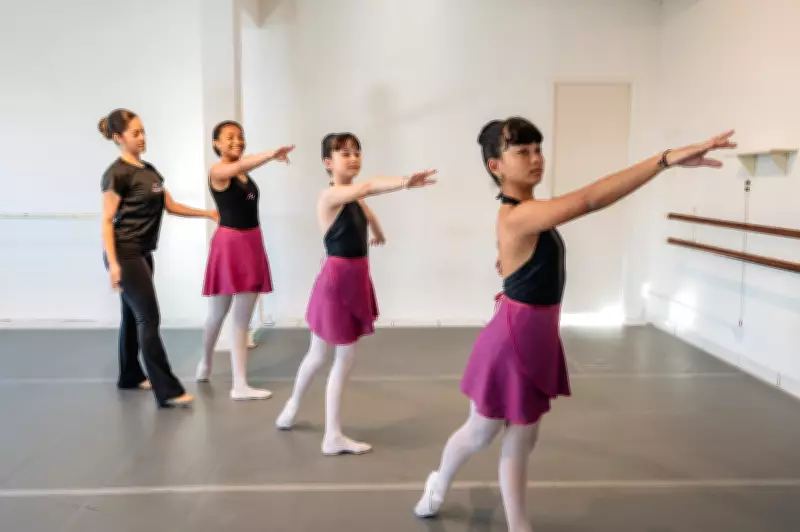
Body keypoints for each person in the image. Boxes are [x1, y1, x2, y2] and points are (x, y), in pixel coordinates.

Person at [413, 116, 736, 531]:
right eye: (522, 152)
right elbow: (588, 199)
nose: (536, 158)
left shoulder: (525, 214)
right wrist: (665, 160)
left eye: (538, 149)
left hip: (537, 337)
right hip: (512, 340)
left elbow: (519, 253)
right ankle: (438, 484)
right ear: (496, 166)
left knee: (524, 436)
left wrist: (509, 259)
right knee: (480, 432)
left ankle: (518, 526)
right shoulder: (519, 215)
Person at [275, 132, 437, 455]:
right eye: (344, 153)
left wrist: (378, 232)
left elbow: (367, 210)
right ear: (327, 162)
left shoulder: (352, 197)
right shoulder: (330, 196)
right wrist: (405, 182)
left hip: (349, 277)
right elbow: (368, 187)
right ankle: (332, 436)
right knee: (342, 357)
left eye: (356, 152)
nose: (353, 158)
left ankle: (291, 409)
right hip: (339, 281)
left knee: (317, 354)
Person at [99, 108, 219, 408]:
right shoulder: (116, 174)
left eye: (143, 131)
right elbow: (107, 221)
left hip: (142, 253)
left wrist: (207, 213)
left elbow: (172, 205)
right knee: (148, 318)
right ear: (119, 137)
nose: (142, 137)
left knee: (132, 316)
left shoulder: (150, 171)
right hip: (125, 253)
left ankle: (130, 375)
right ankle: (168, 391)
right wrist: (113, 265)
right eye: (135, 133)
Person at [196, 120, 294, 400]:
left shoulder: (243, 174)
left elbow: (244, 165)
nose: (237, 141)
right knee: (217, 313)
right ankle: (208, 363)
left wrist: (268, 157)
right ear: (216, 143)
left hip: (250, 241)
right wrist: (271, 154)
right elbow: (242, 164)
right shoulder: (218, 171)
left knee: (241, 316)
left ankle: (236, 381)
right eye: (229, 137)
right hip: (230, 243)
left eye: (240, 137)